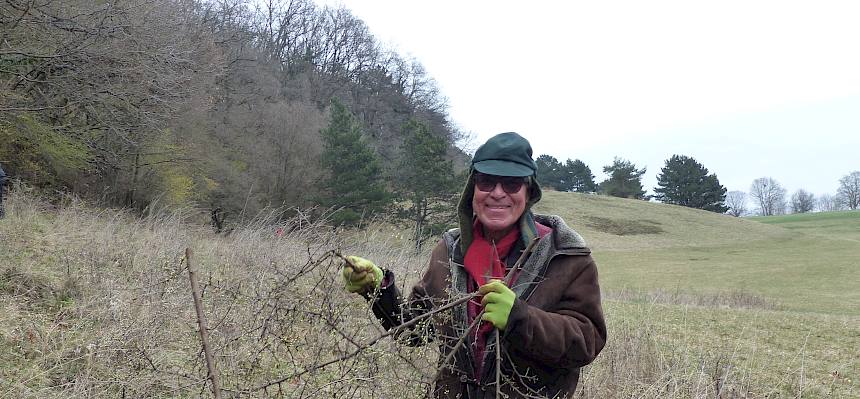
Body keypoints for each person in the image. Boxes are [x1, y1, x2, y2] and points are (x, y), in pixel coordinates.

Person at [341, 132, 606, 398]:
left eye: (512, 184)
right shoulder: (449, 251)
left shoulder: (565, 256)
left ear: (528, 191)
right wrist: (378, 288)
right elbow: (415, 331)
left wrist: (519, 317)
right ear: (473, 188)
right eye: (487, 181)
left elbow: (586, 342)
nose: (498, 193)